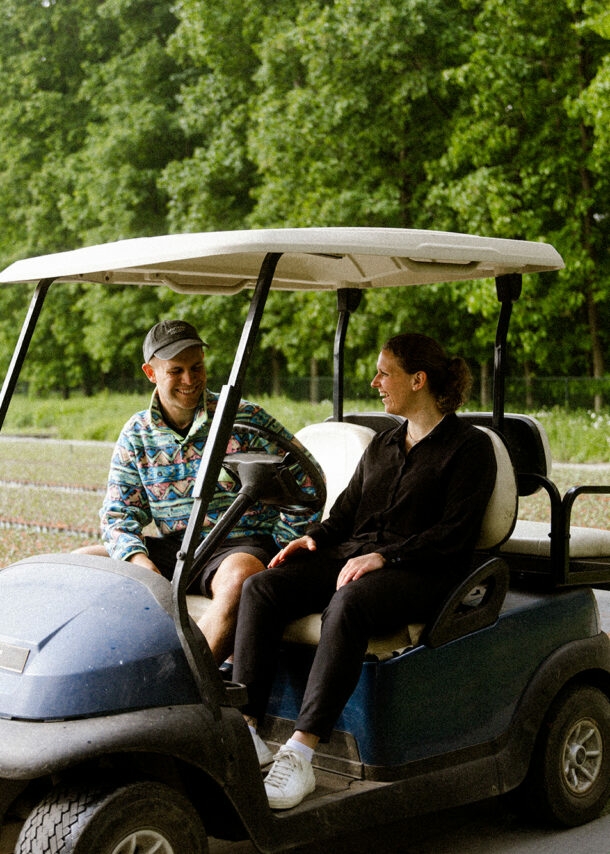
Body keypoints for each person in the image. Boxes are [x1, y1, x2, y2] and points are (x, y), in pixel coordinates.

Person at [232, 332, 498, 809]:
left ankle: (301, 751)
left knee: (348, 602)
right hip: (358, 559)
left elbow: (454, 536)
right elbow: (346, 513)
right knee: (261, 588)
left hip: (423, 573)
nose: (375, 382)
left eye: (384, 373)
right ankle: (249, 731)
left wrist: (386, 557)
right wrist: (314, 538)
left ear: (418, 380)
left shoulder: (469, 449)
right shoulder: (383, 444)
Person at [76, 319, 322, 671]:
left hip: (238, 545)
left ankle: (184, 685)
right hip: (178, 546)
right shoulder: (137, 434)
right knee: (81, 562)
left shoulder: (243, 417)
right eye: (176, 371)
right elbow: (118, 514)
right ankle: (92, 672)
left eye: (197, 368)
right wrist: (139, 562)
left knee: (240, 578)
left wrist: (284, 543)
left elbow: (308, 480)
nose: (190, 381)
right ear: (151, 372)